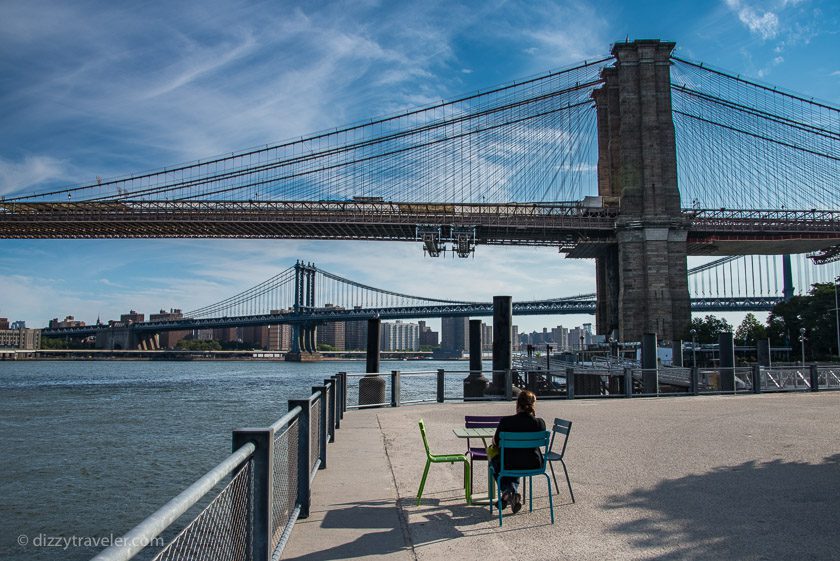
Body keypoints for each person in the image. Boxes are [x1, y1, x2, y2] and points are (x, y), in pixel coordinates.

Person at [490, 389, 546, 514]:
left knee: (493, 460)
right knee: (519, 460)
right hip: (534, 464)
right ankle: (511, 493)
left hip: (509, 464)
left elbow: (496, 443)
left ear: (517, 405)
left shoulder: (506, 421)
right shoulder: (540, 423)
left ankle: (507, 491)